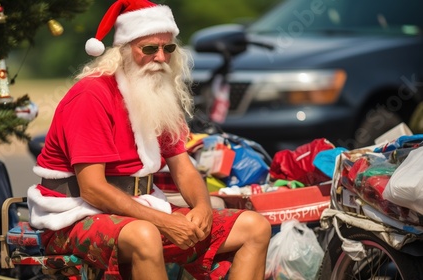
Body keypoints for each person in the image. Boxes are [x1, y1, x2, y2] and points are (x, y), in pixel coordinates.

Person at [27, 0, 271, 279]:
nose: (161, 57)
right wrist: (165, 222)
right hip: (72, 217)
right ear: (123, 51)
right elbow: (92, 189)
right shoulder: (92, 95)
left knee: (254, 227)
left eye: (168, 48)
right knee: (145, 234)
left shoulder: (155, 93)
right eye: (149, 49)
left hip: (141, 209)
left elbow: (184, 166)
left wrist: (202, 208)